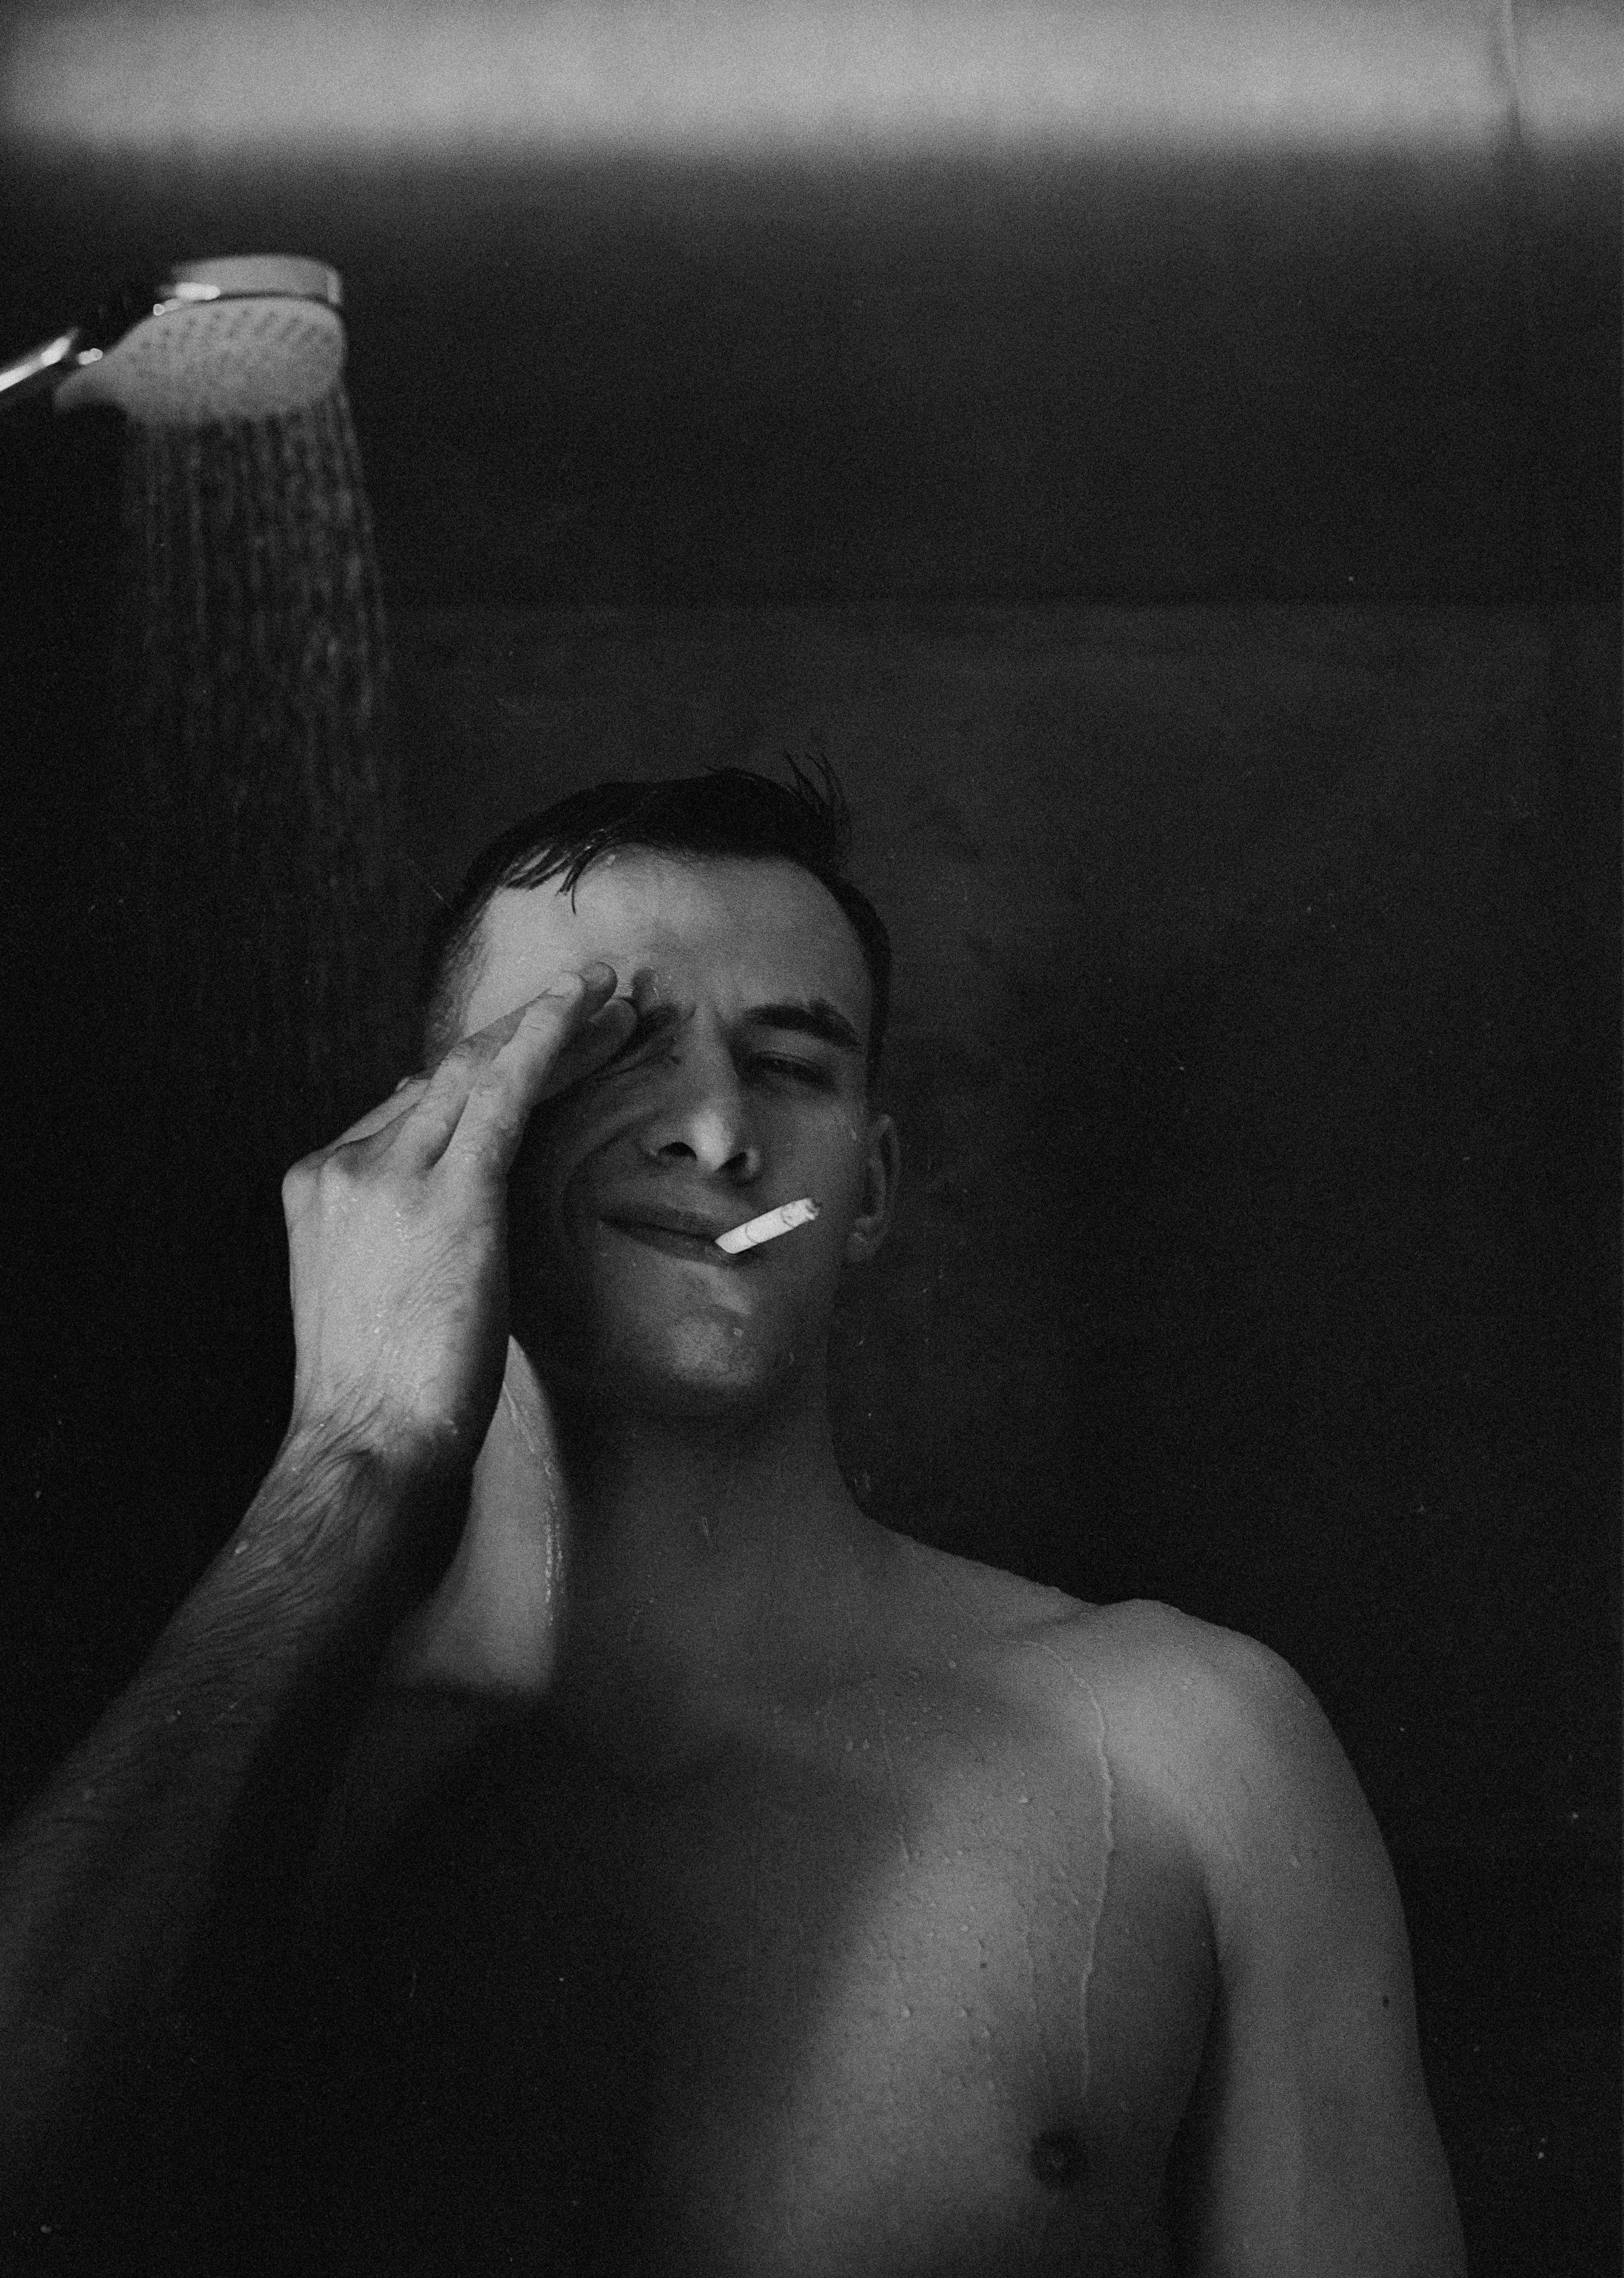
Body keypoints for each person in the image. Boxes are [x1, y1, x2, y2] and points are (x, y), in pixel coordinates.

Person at [0, 765, 1465, 2274]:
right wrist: (354, 1455)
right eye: (606, 1054)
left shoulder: (1192, 1750)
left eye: (792, 1065)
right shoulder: (226, 1782)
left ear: (874, 1189)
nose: (713, 1133)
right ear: (420, 1145)